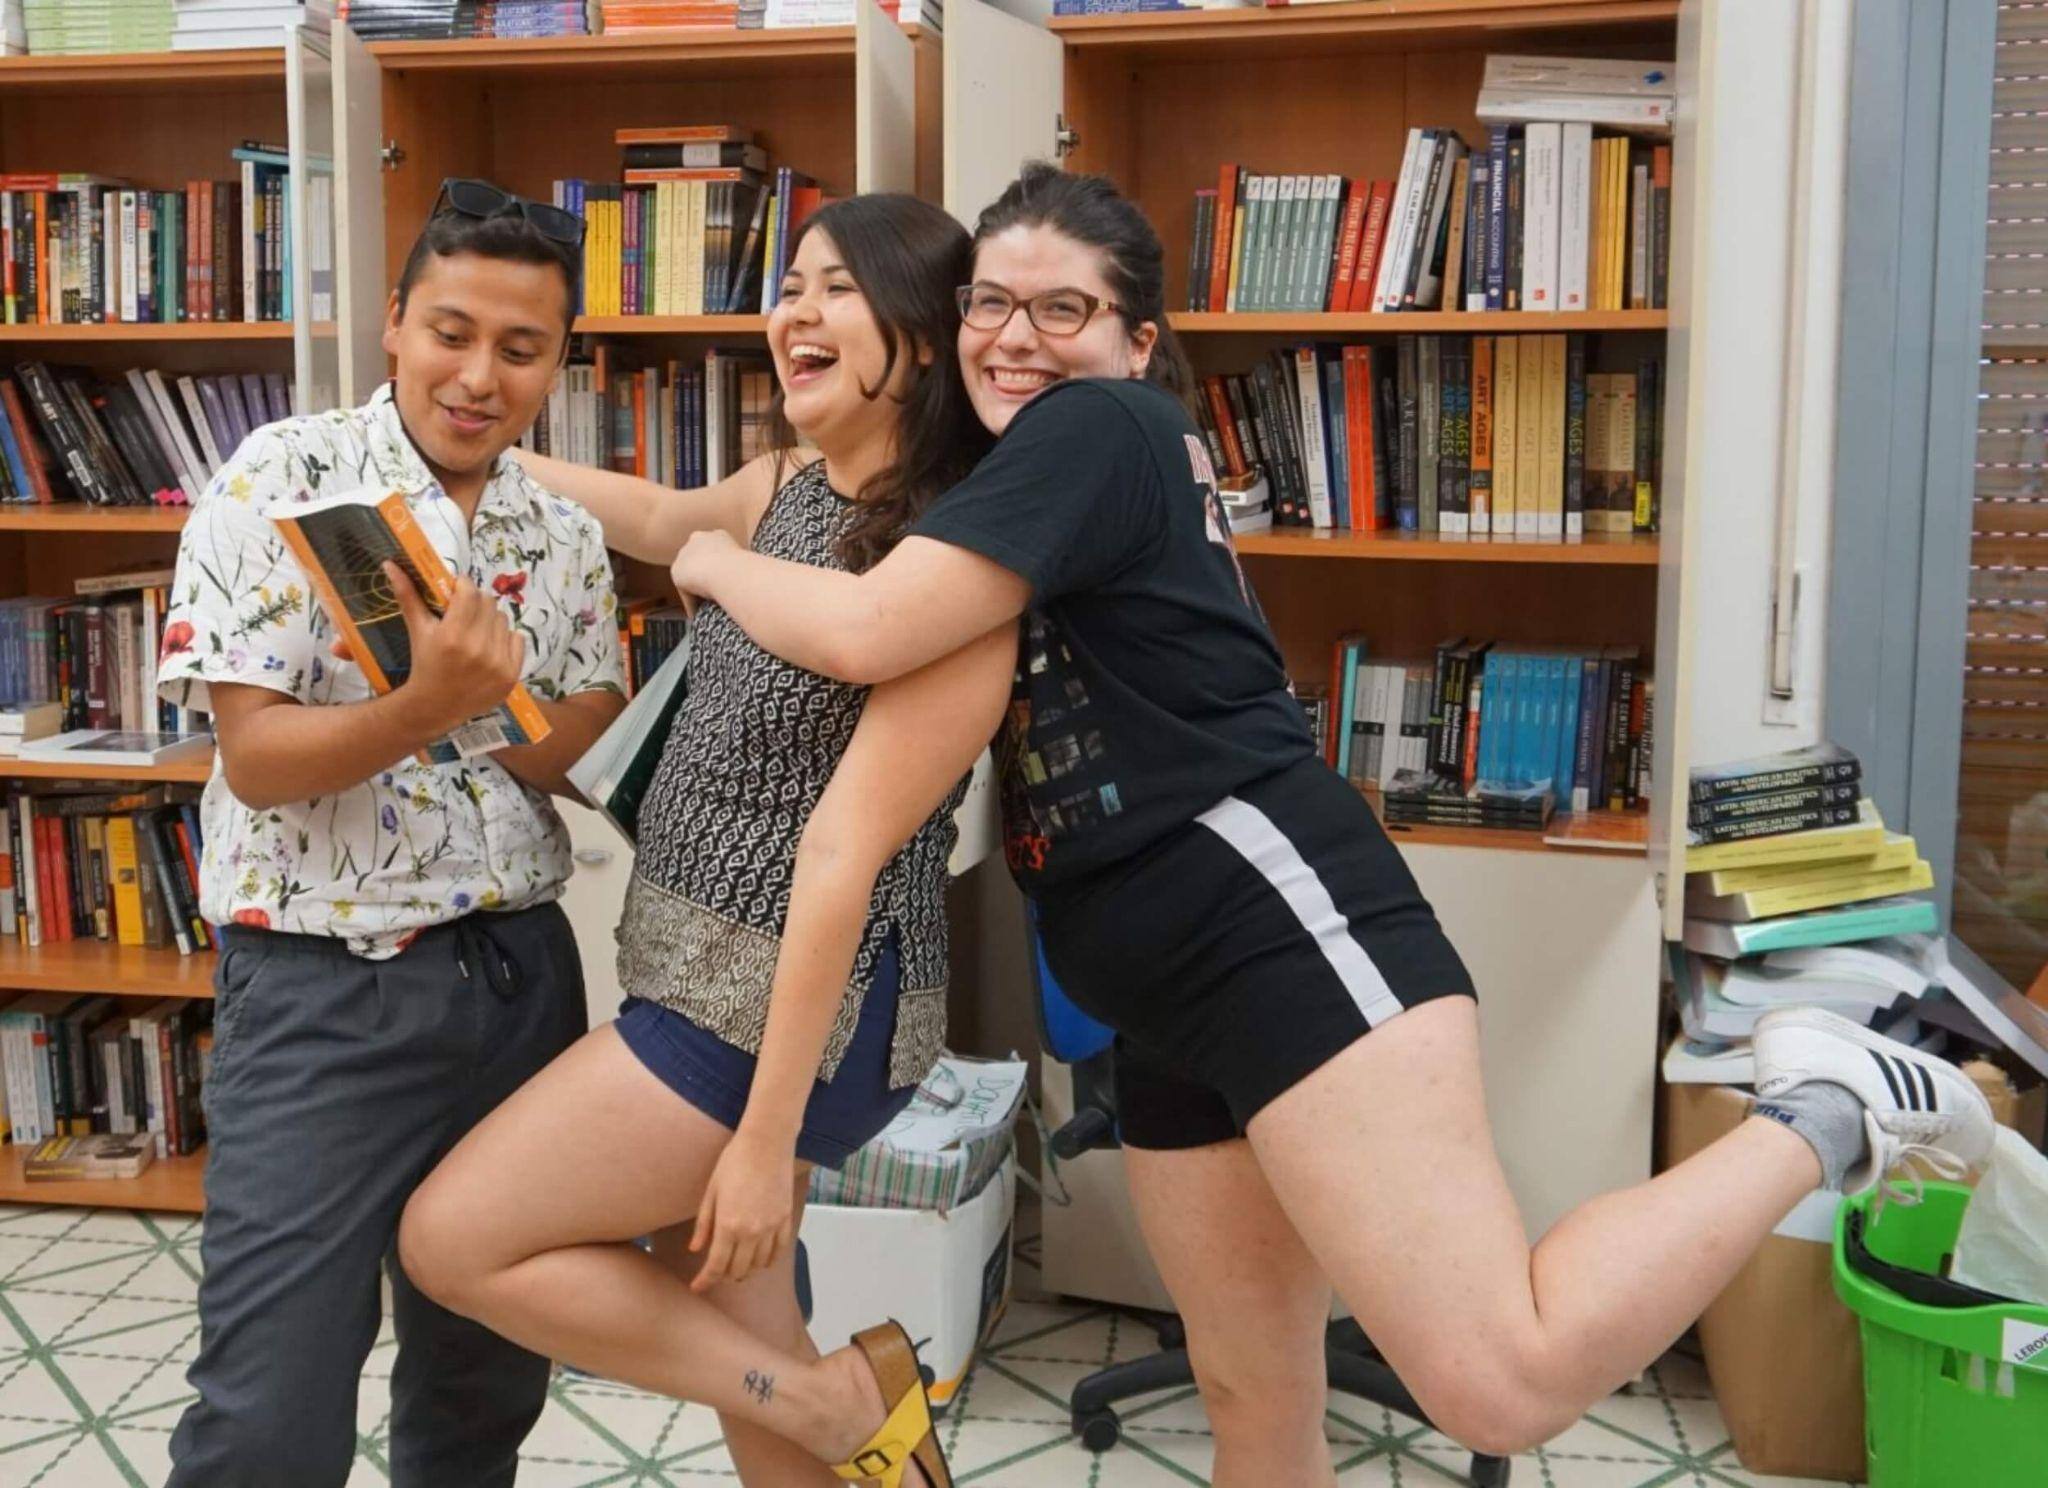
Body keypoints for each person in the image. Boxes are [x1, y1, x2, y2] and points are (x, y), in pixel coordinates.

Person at [653, 164, 1999, 1487]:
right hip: (1160, 981)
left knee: (1498, 1379)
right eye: (990, 304)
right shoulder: (1018, 483)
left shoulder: (1098, 425)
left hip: (1265, 916)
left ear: (1136, 341)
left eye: (1062, 309)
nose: (1015, 337)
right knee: (1253, 1395)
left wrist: (712, 561)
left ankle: (1826, 1104)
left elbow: (869, 629)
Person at [393, 194, 1009, 1488]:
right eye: (791, 285)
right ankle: (840, 1424)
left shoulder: (951, 554)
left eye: (835, 288)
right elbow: (669, 525)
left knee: (455, 1240)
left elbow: (844, 859)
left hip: (794, 1012)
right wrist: (460, 438)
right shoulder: (785, 484)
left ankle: (839, 1403)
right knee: (737, 1322)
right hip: (695, 976)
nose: (794, 311)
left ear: (921, 331)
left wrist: (765, 1145)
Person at [158, 181, 629, 1487]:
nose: (478, 376)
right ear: (395, 324)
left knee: (482, 1384)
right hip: (322, 989)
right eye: (451, 332)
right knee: (269, 1409)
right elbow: (256, 763)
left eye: (520, 349)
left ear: (558, 362)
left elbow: (576, 742)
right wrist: (430, 700)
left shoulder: (565, 534)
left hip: (522, 979)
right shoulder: (277, 479)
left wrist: (525, 713)